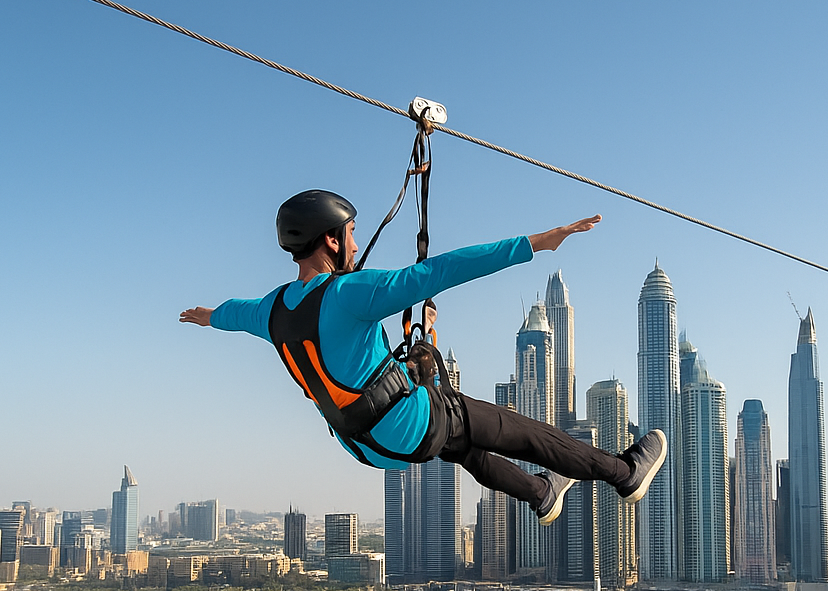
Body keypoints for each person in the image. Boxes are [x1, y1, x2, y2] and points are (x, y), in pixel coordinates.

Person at [180, 190, 666, 524]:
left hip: (364, 446)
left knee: (461, 444)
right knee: (518, 433)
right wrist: (537, 242)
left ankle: (540, 494)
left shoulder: (270, 310)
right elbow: (442, 270)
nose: (354, 243)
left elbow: (231, 314)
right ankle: (625, 474)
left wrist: (205, 316)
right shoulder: (349, 292)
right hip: (406, 427)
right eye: (349, 234)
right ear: (329, 240)